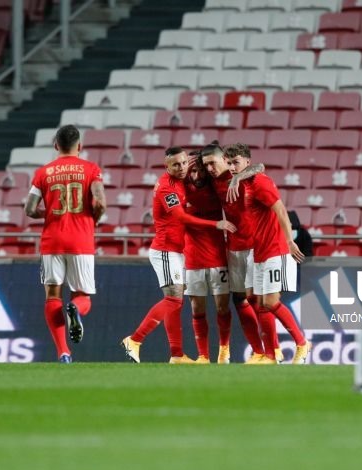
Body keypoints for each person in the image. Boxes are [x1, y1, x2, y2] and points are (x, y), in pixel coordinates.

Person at [120, 146, 236, 364]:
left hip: (177, 251)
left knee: (176, 301)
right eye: (176, 165)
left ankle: (177, 354)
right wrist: (216, 223)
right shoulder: (167, 188)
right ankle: (135, 340)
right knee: (174, 299)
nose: (182, 168)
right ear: (166, 166)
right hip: (166, 250)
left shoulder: (182, 179)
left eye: (184, 163)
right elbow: (181, 217)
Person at [213, 143, 311, 365]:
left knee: (270, 302)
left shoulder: (260, 182)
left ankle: (302, 343)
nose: (231, 167)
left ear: (247, 162)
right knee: (254, 300)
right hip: (258, 252)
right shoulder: (242, 183)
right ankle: (270, 354)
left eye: (235, 162)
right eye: (228, 163)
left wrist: (289, 241)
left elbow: (281, 210)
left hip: (275, 250)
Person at [25, 125, 106, 363]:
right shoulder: (91, 169)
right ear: (79, 146)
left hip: (52, 240)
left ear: (55, 146)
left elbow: (29, 210)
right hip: (81, 239)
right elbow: (100, 201)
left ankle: (63, 352)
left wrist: (49, 213)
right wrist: (94, 219)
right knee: (82, 296)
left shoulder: (43, 172)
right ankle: (76, 310)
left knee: (52, 295)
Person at [203, 144, 267, 364]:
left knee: (261, 299)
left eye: (214, 162)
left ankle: (273, 350)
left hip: (255, 245)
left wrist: (239, 178)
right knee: (240, 299)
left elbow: (260, 165)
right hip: (234, 246)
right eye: (207, 165)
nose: (211, 168)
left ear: (225, 159)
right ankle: (259, 352)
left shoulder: (243, 174)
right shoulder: (211, 180)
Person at [183, 158, 232, 364]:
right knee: (197, 309)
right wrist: (185, 166)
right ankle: (203, 355)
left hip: (217, 257)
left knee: (222, 307)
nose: (197, 175)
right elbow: (168, 174)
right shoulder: (181, 188)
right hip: (193, 258)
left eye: (201, 170)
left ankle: (224, 349)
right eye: (192, 171)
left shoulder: (215, 187)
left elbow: (242, 171)